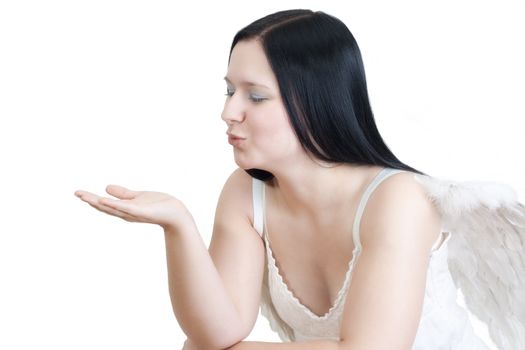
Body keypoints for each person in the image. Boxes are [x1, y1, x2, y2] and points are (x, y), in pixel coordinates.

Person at [74, 9, 501, 350]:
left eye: (255, 96)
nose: (229, 112)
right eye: (229, 91)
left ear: (316, 101)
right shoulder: (246, 193)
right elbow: (216, 333)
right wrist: (178, 225)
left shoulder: (399, 200)